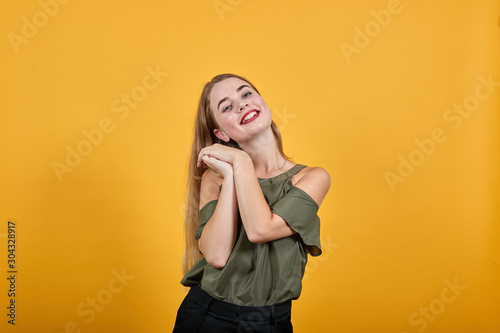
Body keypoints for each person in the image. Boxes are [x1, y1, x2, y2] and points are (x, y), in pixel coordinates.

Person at [173, 73, 330, 333]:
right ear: (220, 134)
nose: (241, 104)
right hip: (207, 315)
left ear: (263, 103)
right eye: (227, 106)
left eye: (246, 94)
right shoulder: (215, 178)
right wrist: (233, 173)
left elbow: (261, 229)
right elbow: (216, 255)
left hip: (270, 321)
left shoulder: (312, 178)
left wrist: (241, 161)